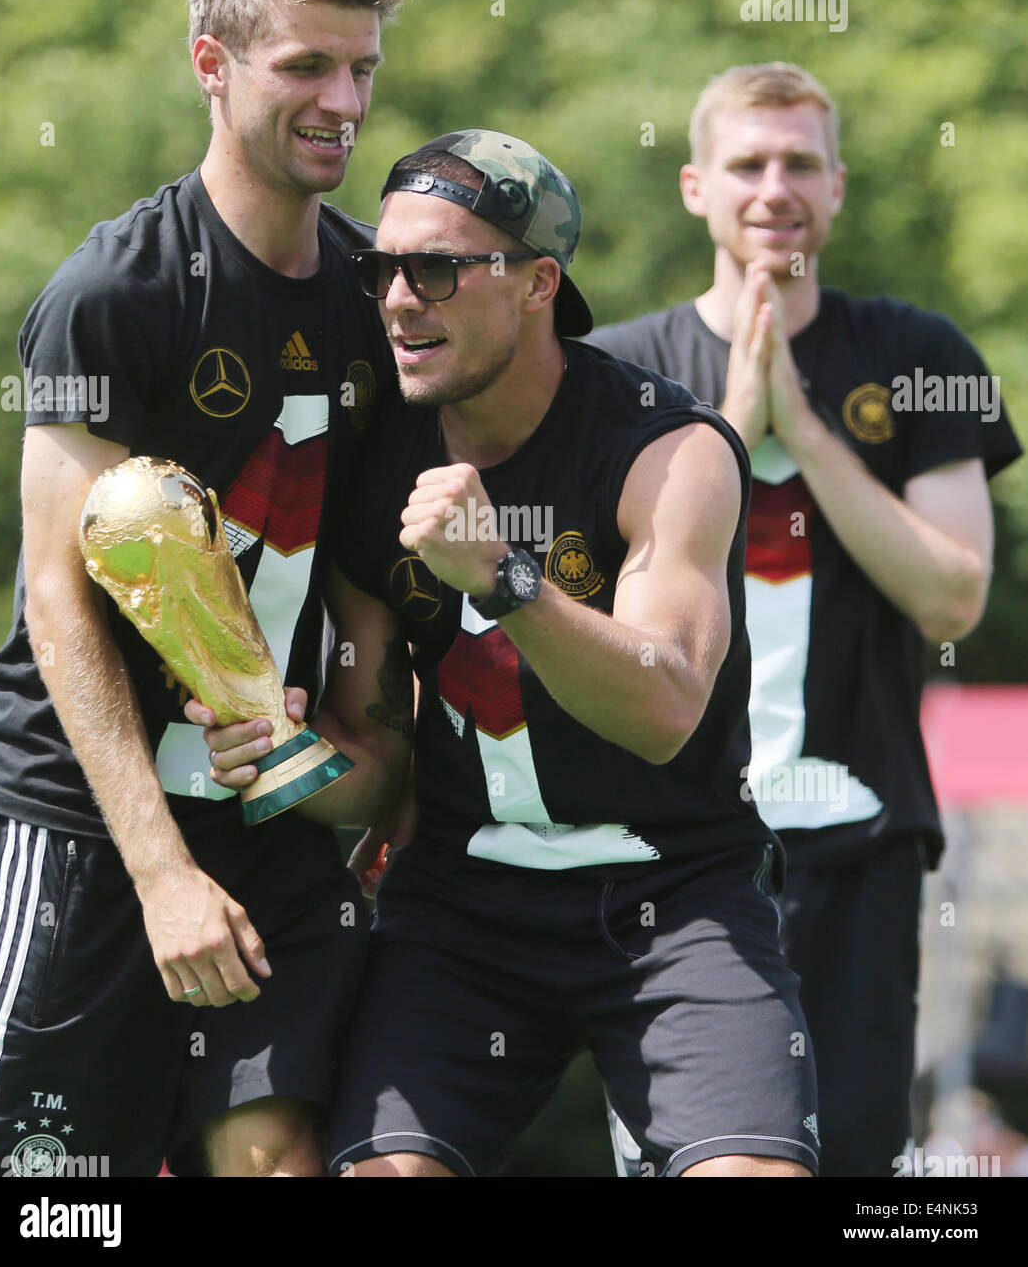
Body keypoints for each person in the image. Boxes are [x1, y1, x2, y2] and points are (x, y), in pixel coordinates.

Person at [203, 129, 821, 1178]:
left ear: (537, 282)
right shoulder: (373, 465)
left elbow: (664, 705)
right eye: (382, 268)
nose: (399, 297)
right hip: (463, 907)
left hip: (675, 893)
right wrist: (286, 754)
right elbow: (381, 765)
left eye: (436, 267)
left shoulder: (667, 449)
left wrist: (504, 574)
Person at [0, 0, 402, 1178]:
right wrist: (159, 874)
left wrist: (380, 783)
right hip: (88, 826)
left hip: (272, 821)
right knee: (52, 1202)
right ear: (213, 65)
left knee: (277, 1164)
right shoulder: (120, 290)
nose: (343, 102)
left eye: (363, 69)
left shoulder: (379, 304)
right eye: (306, 68)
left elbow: (379, 595)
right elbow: (58, 596)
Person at [593, 63, 1023, 1176]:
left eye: (798, 163)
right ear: (695, 186)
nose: (771, 187)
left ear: (835, 187)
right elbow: (596, 615)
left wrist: (810, 430)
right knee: (682, 1158)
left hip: (860, 846)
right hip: (673, 854)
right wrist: (735, 427)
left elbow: (951, 596)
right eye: (745, 162)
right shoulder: (619, 374)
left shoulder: (916, 357)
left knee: (853, 1165)